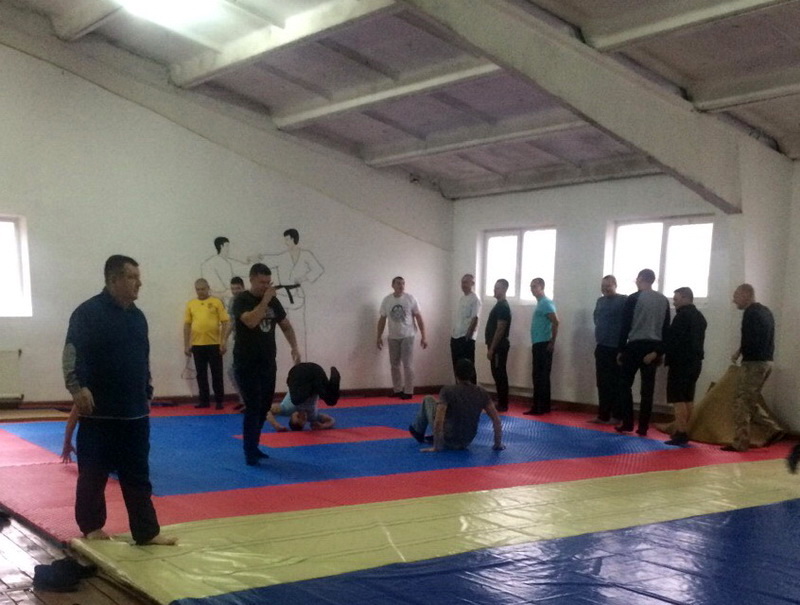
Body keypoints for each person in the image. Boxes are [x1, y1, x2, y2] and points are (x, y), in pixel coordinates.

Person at [62, 254, 176, 545]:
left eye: (138, 277)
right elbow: (72, 352)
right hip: (99, 412)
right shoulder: (88, 313)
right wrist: (76, 388)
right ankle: (91, 527)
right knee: (93, 474)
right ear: (113, 280)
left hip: (134, 412)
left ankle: (146, 532)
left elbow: (143, 359)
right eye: (132, 277)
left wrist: (147, 391)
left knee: (138, 475)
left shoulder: (138, 317)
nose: (139, 283)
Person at [231, 263, 301, 465]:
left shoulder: (273, 302)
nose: (265, 286)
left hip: (268, 362)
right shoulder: (241, 300)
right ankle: (249, 450)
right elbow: (251, 321)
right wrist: (265, 300)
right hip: (246, 363)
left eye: (268, 282)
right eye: (262, 282)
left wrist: (294, 347)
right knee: (253, 406)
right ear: (251, 279)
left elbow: (285, 326)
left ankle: (254, 445)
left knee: (264, 407)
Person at [723, 283, 783, 452]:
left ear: (746, 295)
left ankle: (741, 442)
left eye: (736, 296)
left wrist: (744, 356)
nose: (734, 300)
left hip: (754, 363)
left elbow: (751, 340)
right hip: (766, 361)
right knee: (750, 400)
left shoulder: (750, 313)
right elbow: (758, 337)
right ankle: (773, 428)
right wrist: (739, 351)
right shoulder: (766, 311)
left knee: (741, 402)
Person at [616, 269, 670, 436]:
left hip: (635, 345)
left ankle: (627, 422)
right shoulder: (663, 300)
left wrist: (620, 349)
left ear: (640, 279)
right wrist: (659, 352)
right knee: (647, 389)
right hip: (653, 347)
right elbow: (666, 329)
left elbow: (625, 325)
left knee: (624, 384)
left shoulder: (633, 298)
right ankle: (643, 427)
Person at [409, 359, 504, 452]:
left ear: (455, 374)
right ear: (472, 374)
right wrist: (498, 444)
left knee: (428, 399)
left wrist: (437, 447)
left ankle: (418, 430)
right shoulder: (481, 392)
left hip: (447, 438)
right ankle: (431, 434)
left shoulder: (447, 391)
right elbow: (496, 420)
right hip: (466, 440)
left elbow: (438, 421)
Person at [663, 287, 707, 446]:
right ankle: (685, 430)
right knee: (688, 397)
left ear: (685, 298)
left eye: (676, 299)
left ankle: (681, 432)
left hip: (680, 363)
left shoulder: (682, 317)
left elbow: (673, 340)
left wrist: (661, 353)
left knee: (678, 398)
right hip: (695, 363)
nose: (674, 302)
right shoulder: (700, 317)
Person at [376, 277, 428, 399]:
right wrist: (378, 336)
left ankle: (409, 391)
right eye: (398, 283)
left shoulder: (410, 299)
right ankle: (397, 389)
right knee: (394, 365)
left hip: (408, 335)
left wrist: (424, 336)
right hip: (393, 337)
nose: (401, 286)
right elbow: (382, 319)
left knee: (407, 364)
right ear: (393, 285)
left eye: (403, 283)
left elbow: (419, 318)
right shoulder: (387, 300)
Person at [183, 278, 230, 410]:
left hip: (214, 344)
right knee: (201, 374)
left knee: (217, 374)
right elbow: (187, 325)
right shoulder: (191, 304)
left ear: (208, 288)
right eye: (198, 289)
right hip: (197, 345)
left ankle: (219, 401)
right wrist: (186, 345)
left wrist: (223, 341)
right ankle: (204, 401)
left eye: (203, 289)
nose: (200, 292)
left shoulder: (216, 302)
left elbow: (225, 322)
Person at [589, 275, 627, 424]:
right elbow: (596, 318)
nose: (605, 288)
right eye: (603, 286)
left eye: (608, 286)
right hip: (602, 346)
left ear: (615, 285)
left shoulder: (623, 300)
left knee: (616, 383)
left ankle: (617, 416)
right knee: (602, 382)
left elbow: (628, 322)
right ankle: (603, 415)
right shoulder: (600, 301)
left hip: (616, 348)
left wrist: (623, 348)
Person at [266, 363, 340, 431]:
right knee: (331, 401)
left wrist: (276, 425)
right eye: (304, 419)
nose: (302, 415)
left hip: (300, 373)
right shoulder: (312, 416)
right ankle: (333, 381)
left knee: (296, 400)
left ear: (291, 415)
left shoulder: (287, 409)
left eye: (298, 416)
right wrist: (323, 426)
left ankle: (313, 388)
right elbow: (331, 420)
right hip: (316, 373)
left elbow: (266, 410)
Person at [525, 278, 559, 415]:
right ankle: (543, 406)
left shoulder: (545, 303)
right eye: (531, 286)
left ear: (542, 287)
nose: (532, 289)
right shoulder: (541, 303)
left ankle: (539, 407)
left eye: (535, 286)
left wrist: (552, 342)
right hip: (539, 343)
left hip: (543, 343)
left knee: (540, 376)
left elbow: (556, 322)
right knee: (541, 376)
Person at [485, 279, 511, 412]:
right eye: (494, 287)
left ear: (504, 289)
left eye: (498, 288)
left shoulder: (503, 307)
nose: (494, 290)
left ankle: (503, 403)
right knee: (497, 373)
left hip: (499, 347)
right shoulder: (499, 306)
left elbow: (500, 328)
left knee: (499, 373)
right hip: (497, 346)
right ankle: (501, 400)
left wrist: (492, 348)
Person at [450, 273, 481, 375]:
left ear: (472, 284)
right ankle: (458, 384)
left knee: (467, 366)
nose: (463, 285)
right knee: (457, 365)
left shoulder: (475, 299)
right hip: (456, 336)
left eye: (466, 282)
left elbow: (475, 318)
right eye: (462, 282)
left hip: (466, 337)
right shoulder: (462, 298)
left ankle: (470, 385)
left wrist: (468, 336)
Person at [226, 276, 245, 411]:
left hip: (249, 342)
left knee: (246, 373)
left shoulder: (248, 300)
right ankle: (243, 399)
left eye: (238, 288)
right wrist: (224, 339)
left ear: (243, 288)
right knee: (232, 371)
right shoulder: (232, 301)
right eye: (233, 289)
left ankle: (250, 402)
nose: (235, 291)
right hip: (237, 340)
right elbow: (231, 322)